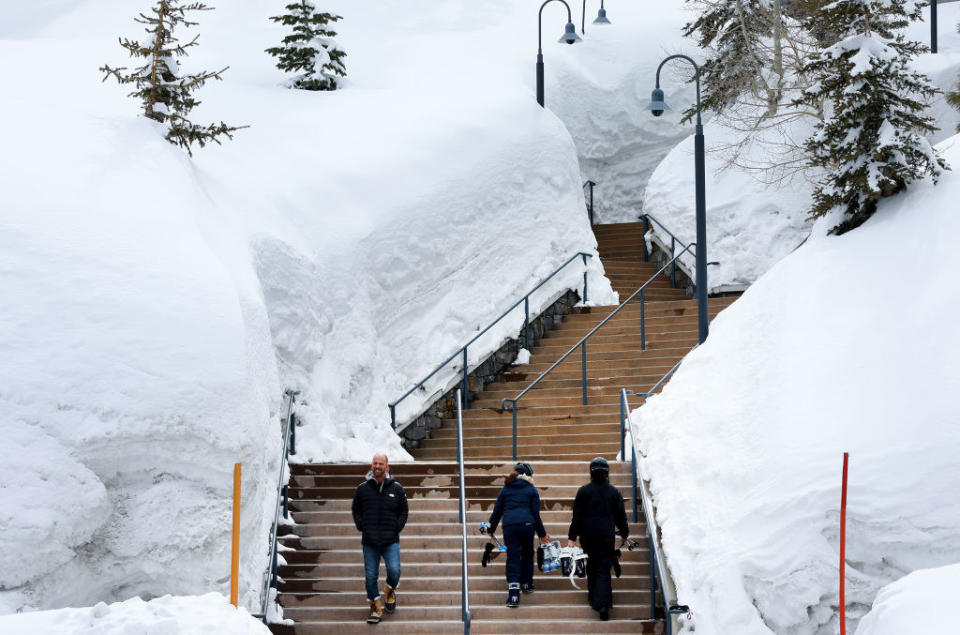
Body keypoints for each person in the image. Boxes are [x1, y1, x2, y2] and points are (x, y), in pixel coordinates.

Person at [567, 456, 629, 621]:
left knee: (592, 566)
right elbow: (621, 517)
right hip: (606, 537)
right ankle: (603, 605)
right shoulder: (614, 492)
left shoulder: (583, 491)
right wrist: (624, 533)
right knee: (603, 569)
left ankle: (593, 598)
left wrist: (572, 537)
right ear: (607, 473)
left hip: (588, 536)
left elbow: (577, 517)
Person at [351, 453, 408, 624]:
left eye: (381, 463)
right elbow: (356, 509)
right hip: (370, 541)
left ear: (387, 467)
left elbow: (404, 510)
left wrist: (396, 527)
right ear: (371, 465)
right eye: (375, 463)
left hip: (390, 540)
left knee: (394, 571)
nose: (377, 466)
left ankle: (389, 590)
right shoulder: (362, 489)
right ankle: (375, 607)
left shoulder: (397, 488)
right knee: (370, 577)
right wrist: (362, 526)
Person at [486, 462, 550, 608]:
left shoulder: (506, 488)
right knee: (527, 553)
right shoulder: (532, 490)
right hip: (527, 525)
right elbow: (536, 515)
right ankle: (526, 584)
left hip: (510, 526)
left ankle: (514, 595)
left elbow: (497, 511)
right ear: (528, 475)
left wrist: (491, 528)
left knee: (513, 556)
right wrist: (542, 534)